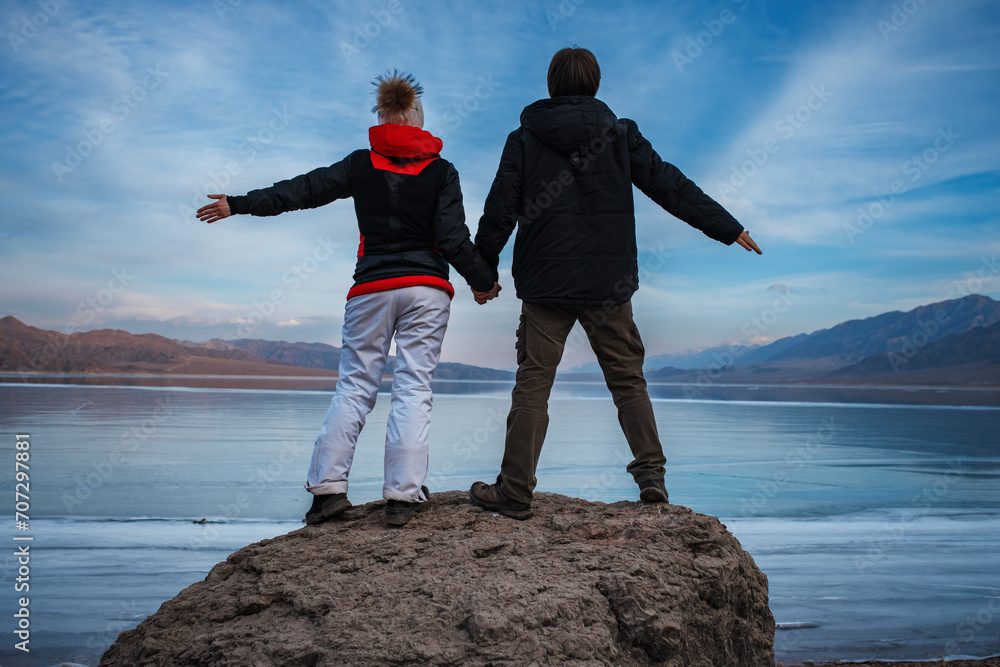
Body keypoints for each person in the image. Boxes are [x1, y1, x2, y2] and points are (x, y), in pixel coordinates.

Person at [468, 48, 761, 519]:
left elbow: (499, 209)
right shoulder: (620, 135)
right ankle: (652, 478)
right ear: (596, 84)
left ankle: (515, 490)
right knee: (628, 381)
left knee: (533, 385)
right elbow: (670, 185)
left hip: (546, 284)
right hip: (610, 282)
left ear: (551, 84)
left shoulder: (524, 138)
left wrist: (482, 275)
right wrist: (726, 226)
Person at [197, 71, 500, 526]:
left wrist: (238, 203)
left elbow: (302, 189)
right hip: (426, 290)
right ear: (418, 120)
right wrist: (483, 282)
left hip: (371, 289)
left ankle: (327, 494)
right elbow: (453, 239)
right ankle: (402, 498)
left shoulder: (362, 163)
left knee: (355, 387)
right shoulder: (442, 171)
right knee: (414, 388)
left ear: (382, 117)